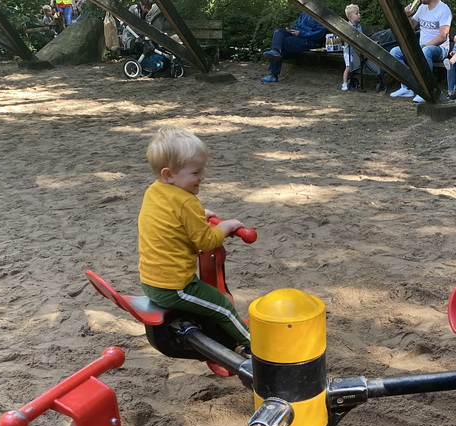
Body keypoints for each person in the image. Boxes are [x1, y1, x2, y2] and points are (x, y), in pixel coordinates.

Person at [138, 127, 250, 348]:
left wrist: (198, 216)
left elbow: (173, 218)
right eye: (195, 173)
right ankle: (255, 344)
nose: (203, 177)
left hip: (150, 280)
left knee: (211, 302)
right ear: (168, 174)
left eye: (202, 170)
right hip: (174, 286)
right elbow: (206, 241)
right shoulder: (187, 202)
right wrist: (226, 227)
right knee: (222, 306)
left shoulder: (154, 191)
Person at [389, 0, 452, 103]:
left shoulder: (444, 9)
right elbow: (412, 25)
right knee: (395, 52)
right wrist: (407, 15)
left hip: (440, 49)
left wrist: (422, 46)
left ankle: (426, 91)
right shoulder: (422, 8)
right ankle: (407, 87)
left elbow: (442, 37)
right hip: (422, 48)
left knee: (426, 51)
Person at [261, 13, 327, 83]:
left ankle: (273, 75)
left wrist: (301, 33)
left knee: (282, 42)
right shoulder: (304, 13)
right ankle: (275, 51)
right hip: (296, 36)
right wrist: (291, 29)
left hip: (307, 40)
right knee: (278, 31)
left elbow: (319, 34)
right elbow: (297, 26)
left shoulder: (320, 15)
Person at [340, 5, 362, 91]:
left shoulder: (359, 26)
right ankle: (344, 83)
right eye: (357, 13)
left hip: (356, 51)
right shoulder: (348, 27)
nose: (359, 15)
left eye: (359, 13)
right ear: (350, 17)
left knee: (355, 67)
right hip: (348, 51)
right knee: (348, 67)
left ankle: (353, 82)